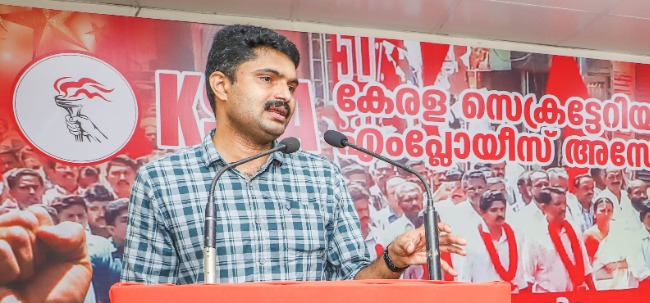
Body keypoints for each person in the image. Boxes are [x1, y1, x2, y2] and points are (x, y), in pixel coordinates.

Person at [123, 24, 463, 285]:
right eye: (267, 79)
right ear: (221, 85)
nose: (284, 95)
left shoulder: (321, 176)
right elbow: (146, 301)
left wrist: (392, 260)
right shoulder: (162, 180)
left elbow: (353, 285)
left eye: (290, 86)